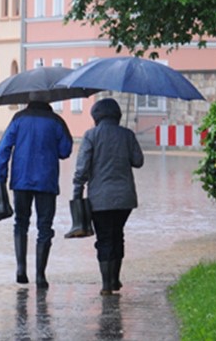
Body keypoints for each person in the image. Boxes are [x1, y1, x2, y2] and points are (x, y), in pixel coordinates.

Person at [0, 95, 73, 288]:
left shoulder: (19, 119)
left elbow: (3, 149)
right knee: (44, 227)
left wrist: (0, 177)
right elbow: (65, 150)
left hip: (21, 180)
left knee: (21, 223)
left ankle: (21, 268)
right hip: (46, 181)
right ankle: (40, 275)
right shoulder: (56, 121)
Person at [71, 98, 144, 296]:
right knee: (117, 235)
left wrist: (77, 192)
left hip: (99, 199)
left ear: (96, 116)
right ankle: (115, 278)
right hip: (124, 199)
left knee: (104, 238)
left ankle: (106, 283)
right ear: (118, 115)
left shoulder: (90, 136)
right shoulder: (127, 135)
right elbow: (138, 161)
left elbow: (82, 168)